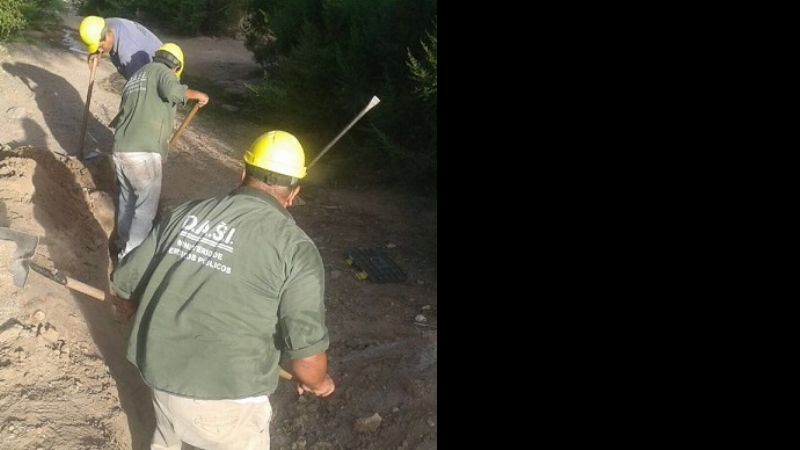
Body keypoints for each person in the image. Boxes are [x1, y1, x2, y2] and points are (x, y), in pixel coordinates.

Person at [110, 130, 335, 449]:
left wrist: (132, 303)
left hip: (160, 378)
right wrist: (319, 382)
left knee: (168, 435)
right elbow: (308, 360)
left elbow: (125, 284)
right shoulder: (295, 248)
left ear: (243, 172)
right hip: (228, 398)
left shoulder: (184, 213)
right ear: (294, 193)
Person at [112, 43, 209, 260]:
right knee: (145, 209)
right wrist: (198, 95)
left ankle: (121, 245)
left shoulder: (137, 76)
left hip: (121, 150)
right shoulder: (164, 72)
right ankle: (130, 259)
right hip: (143, 152)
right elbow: (173, 91)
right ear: (176, 66)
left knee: (127, 201)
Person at [79, 15, 163, 80]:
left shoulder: (128, 55)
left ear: (108, 36)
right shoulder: (107, 24)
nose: (99, 50)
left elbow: (139, 90)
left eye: (100, 47)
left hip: (161, 74)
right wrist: (96, 52)